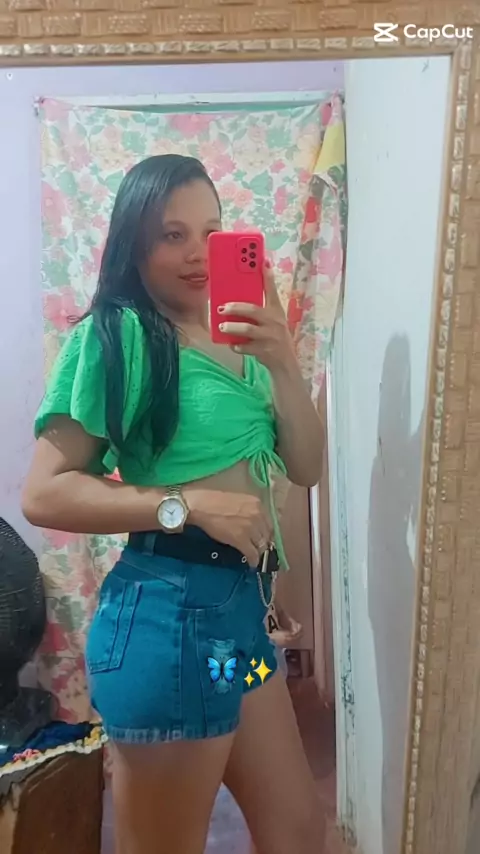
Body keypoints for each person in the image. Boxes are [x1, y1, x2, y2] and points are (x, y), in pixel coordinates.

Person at [22, 154, 326, 854]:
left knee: (299, 832)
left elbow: (306, 467)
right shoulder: (120, 337)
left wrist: (282, 358)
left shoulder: (244, 338)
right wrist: (186, 504)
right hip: (169, 624)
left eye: (211, 232)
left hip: (239, 626)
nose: (197, 252)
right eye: (172, 234)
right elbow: (45, 491)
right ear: (135, 243)